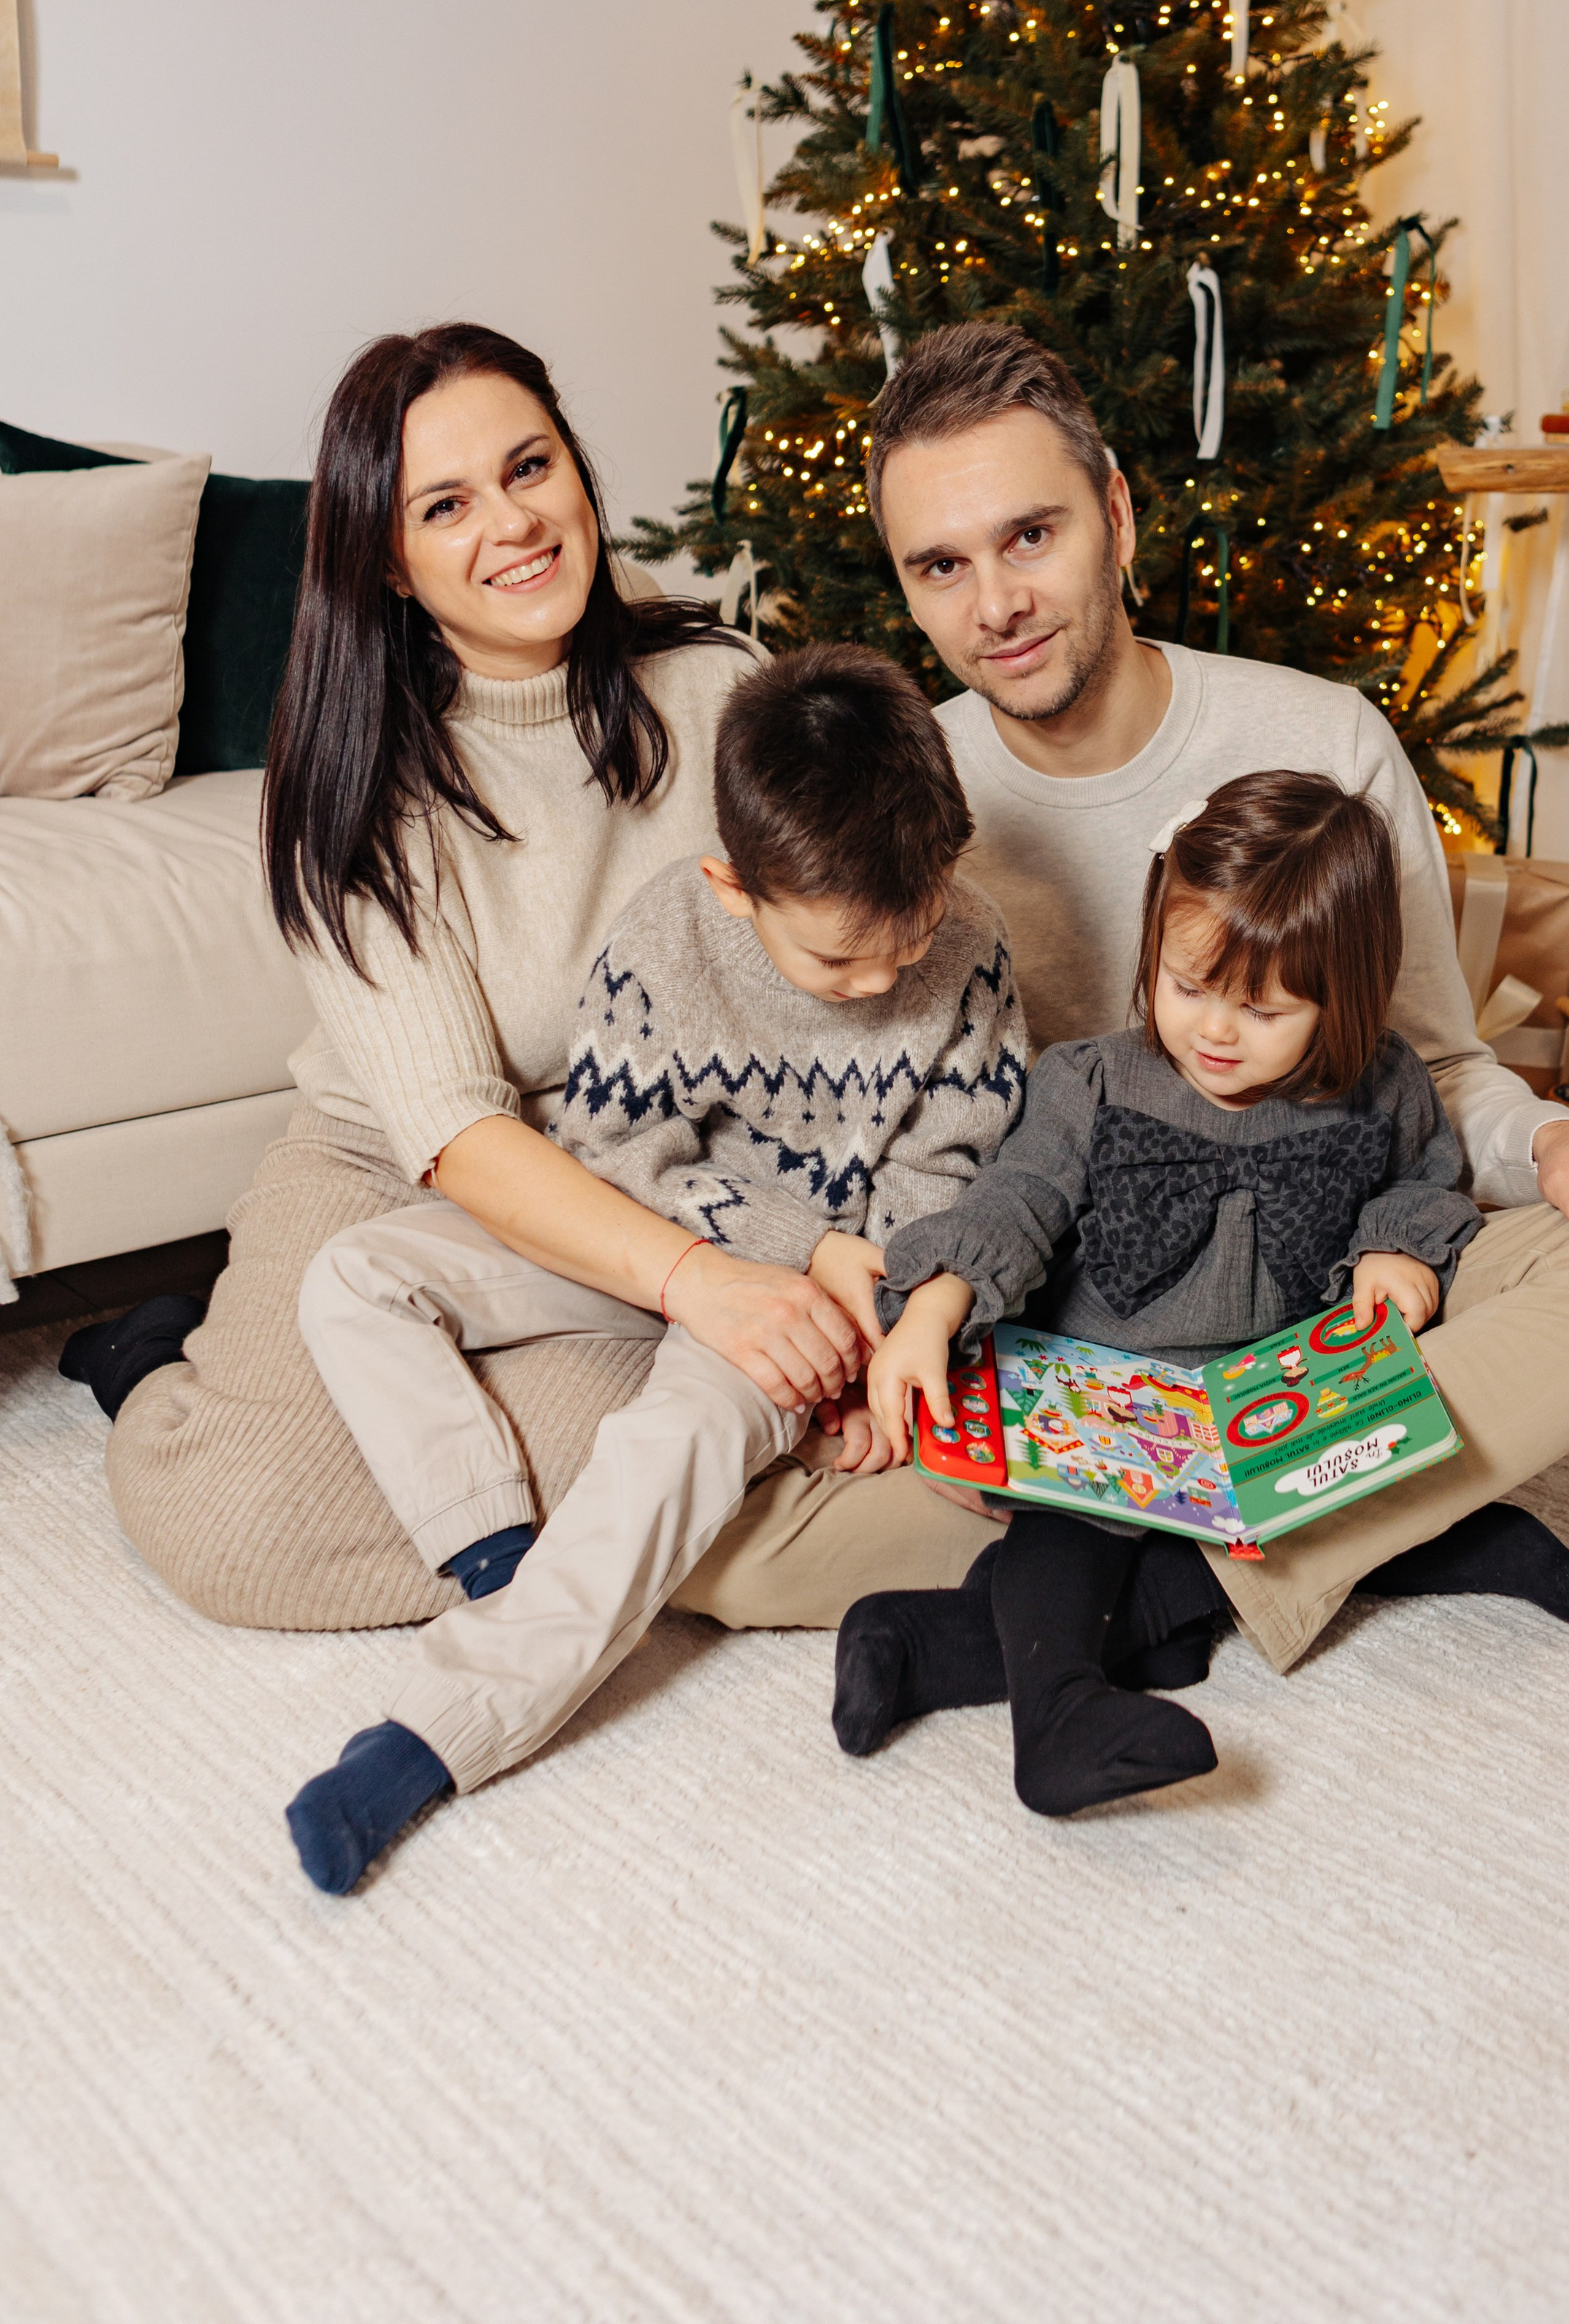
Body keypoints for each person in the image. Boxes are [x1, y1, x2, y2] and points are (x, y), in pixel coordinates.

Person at [68, 327, 1000, 1634]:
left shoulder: (717, 684)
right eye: (445, 506)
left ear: (576, 466)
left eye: (529, 467)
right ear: (387, 559)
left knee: (676, 1441)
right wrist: (703, 1282)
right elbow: (454, 1135)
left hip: (659, 1145)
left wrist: (815, 1245)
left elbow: (818, 988)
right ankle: (155, 1355)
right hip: (406, 1160)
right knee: (235, 1526)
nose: (510, 523)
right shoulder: (349, 785)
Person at [858, 323, 1569, 1681]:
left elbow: (1431, 1069)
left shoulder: (1320, 738)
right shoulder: (917, 801)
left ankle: (1163, 1584)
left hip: (1317, 1277)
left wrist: (1567, 1144)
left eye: (1030, 536)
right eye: (941, 565)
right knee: (753, 1538)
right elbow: (937, 1151)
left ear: (1117, 515)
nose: (996, 603)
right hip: (1067, 1320)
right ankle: (1376, 1518)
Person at [283, 645, 1030, 1890]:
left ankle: (439, 1730)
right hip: (680, 1249)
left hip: (823, 1303)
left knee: (665, 1454)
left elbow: (959, 1173)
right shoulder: (666, 940)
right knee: (354, 1276)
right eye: (840, 962)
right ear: (735, 887)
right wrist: (772, 1245)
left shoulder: (972, 948)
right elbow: (613, 1157)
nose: (886, 979)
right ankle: (497, 1562)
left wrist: (866, 1297)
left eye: (913, 935)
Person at [836, 771, 1503, 1815]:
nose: (1217, 1032)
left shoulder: (1382, 1085)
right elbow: (1019, 1196)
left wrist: (1398, 1253)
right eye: (1187, 987)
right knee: (1079, 1538)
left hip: (1263, 1410)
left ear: (1349, 994)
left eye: (1266, 1008)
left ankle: (925, 1640)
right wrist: (933, 1307)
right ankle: (1054, 1712)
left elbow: (1428, 1181)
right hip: (1101, 1399)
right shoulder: (1094, 1079)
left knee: (1366, 1488)